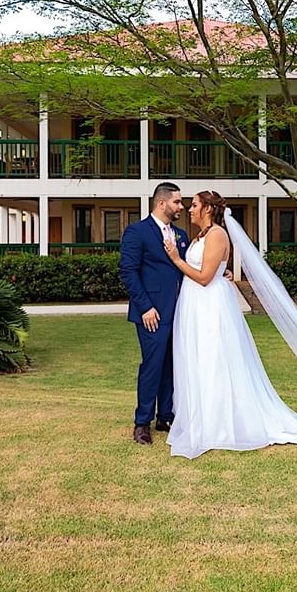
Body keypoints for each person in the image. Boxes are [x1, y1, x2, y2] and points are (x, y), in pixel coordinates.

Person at [162, 190, 297, 459]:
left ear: (207, 209)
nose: (189, 210)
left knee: (214, 359)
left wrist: (176, 259)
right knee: (198, 359)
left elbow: (204, 277)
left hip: (209, 306)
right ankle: (201, 417)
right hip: (195, 305)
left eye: (194, 205)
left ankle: (220, 424)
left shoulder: (217, 234)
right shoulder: (201, 236)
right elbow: (212, 270)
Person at [118, 182, 189, 445]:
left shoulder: (181, 235)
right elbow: (128, 271)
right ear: (162, 203)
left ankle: (166, 416)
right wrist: (145, 307)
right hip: (152, 313)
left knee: (172, 365)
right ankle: (141, 423)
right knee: (152, 365)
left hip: (179, 311)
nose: (181, 206)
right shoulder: (137, 232)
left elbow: (189, 266)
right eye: (177, 202)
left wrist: (220, 274)